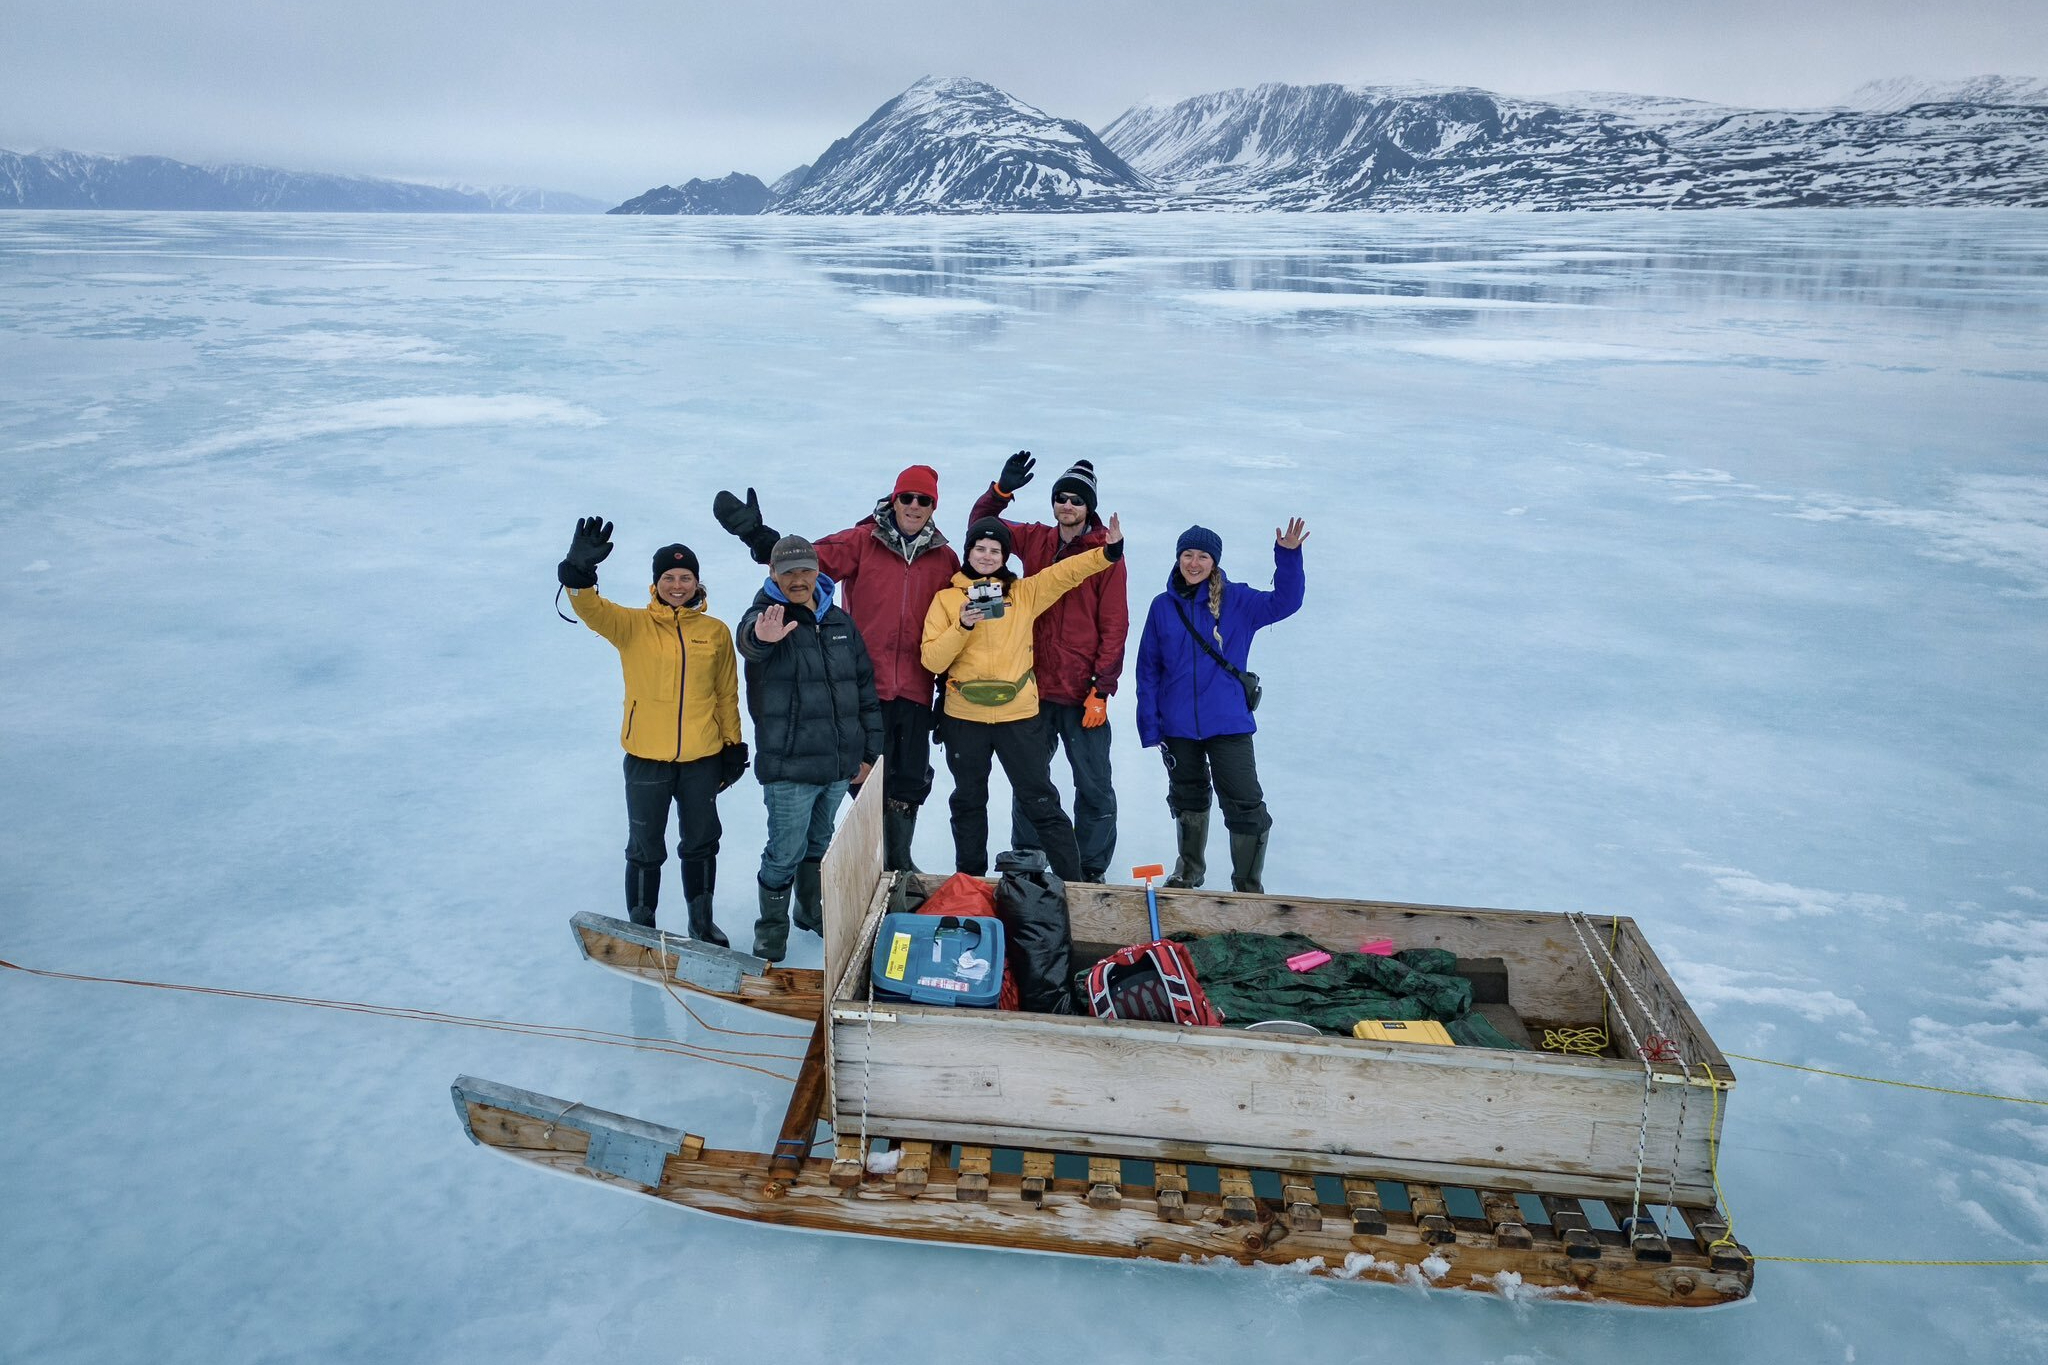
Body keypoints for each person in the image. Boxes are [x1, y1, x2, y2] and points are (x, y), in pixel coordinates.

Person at [714, 467, 958, 873]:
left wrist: (949, 690)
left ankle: (898, 863)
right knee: (862, 775)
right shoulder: (862, 541)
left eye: (924, 500)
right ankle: (871, 862)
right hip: (862, 685)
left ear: (934, 506)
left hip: (917, 685)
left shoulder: (944, 558)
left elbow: (956, 621)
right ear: (894, 499)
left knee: (910, 779)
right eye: (907, 497)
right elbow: (802, 565)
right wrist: (758, 537)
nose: (914, 506)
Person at [557, 518, 747, 943]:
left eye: (685, 577)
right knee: (645, 846)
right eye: (669, 578)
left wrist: (732, 746)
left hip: (702, 759)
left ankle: (701, 922)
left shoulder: (715, 632)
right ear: (656, 583)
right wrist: (579, 573)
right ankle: (642, 927)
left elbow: (725, 695)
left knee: (701, 841)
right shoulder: (632, 625)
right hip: (645, 759)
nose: (677, 585)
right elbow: (589, 608)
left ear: (697, 582)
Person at [920, 513, 1124, 883]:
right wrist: (962, 625)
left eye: (994, 550)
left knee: (1040, 798)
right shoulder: (947, 600)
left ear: (1005, 556)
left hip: (1017, 716)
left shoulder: (1024, 593)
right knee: (968, 801)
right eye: (979, 549)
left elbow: (1065, 573)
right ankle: (971, 884)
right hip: (964, 718)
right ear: (968, 553)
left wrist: (1107, 554)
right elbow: (933, 660)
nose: (986, 556)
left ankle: (1074, 884)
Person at [968, 452, 1128, 883]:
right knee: (1030, 781)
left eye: (1077, 500)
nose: (1067, 505)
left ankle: (1090, 870)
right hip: (1033, 687)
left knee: (1093, 784)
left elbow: (1115, 622)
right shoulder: (1036, 539)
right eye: (1061, 498)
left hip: (1081, 692)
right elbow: (982, 529)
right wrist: (1000, 492)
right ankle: (1029, 860)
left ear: (1089, 507)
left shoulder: (1106, 552)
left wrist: (1102, 688)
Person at [1134, 519, 1309, 894]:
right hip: (1178, 726)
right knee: (1187, 798)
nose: (1194, 563)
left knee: (1244, 802)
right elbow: (1148, 669)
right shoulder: (1162, 606)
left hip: (1228, 723)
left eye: (1203, 556)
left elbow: (1286, 601)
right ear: (1178, 558)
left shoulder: (1238, 601)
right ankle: (1189, 871)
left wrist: (1289, 556)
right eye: (1187, 554)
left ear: (1214, 561)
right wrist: (1150, 725)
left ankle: (1247, 886)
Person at [735, 534, 884, 963]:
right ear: (772, 574)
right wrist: (762, 637)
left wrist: (868, 754)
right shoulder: (766, 616)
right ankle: (771, 930)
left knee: (818, 843)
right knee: (784, 851)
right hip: (790, 768)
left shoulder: (839, 622)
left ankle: (808, 909)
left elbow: (864, 691)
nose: (798, 579)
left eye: (806, 570)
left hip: (838, 765)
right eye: (788, 572)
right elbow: (750, 641)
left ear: (819, 572)